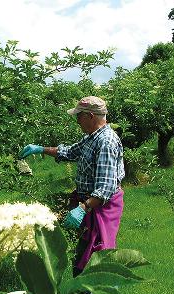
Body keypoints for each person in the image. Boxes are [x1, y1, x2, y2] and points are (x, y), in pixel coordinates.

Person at [20, 96, 125, 277]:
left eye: (79, 116)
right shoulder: (92, 138)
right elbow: (69, 152)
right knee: (87, 253)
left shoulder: (105, 142)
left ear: (91, 116)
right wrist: (40, 149)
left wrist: (83, 208)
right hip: (92, 203)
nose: (77, 120)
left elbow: (106, 187)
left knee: (97, 255)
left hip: (100, 206)